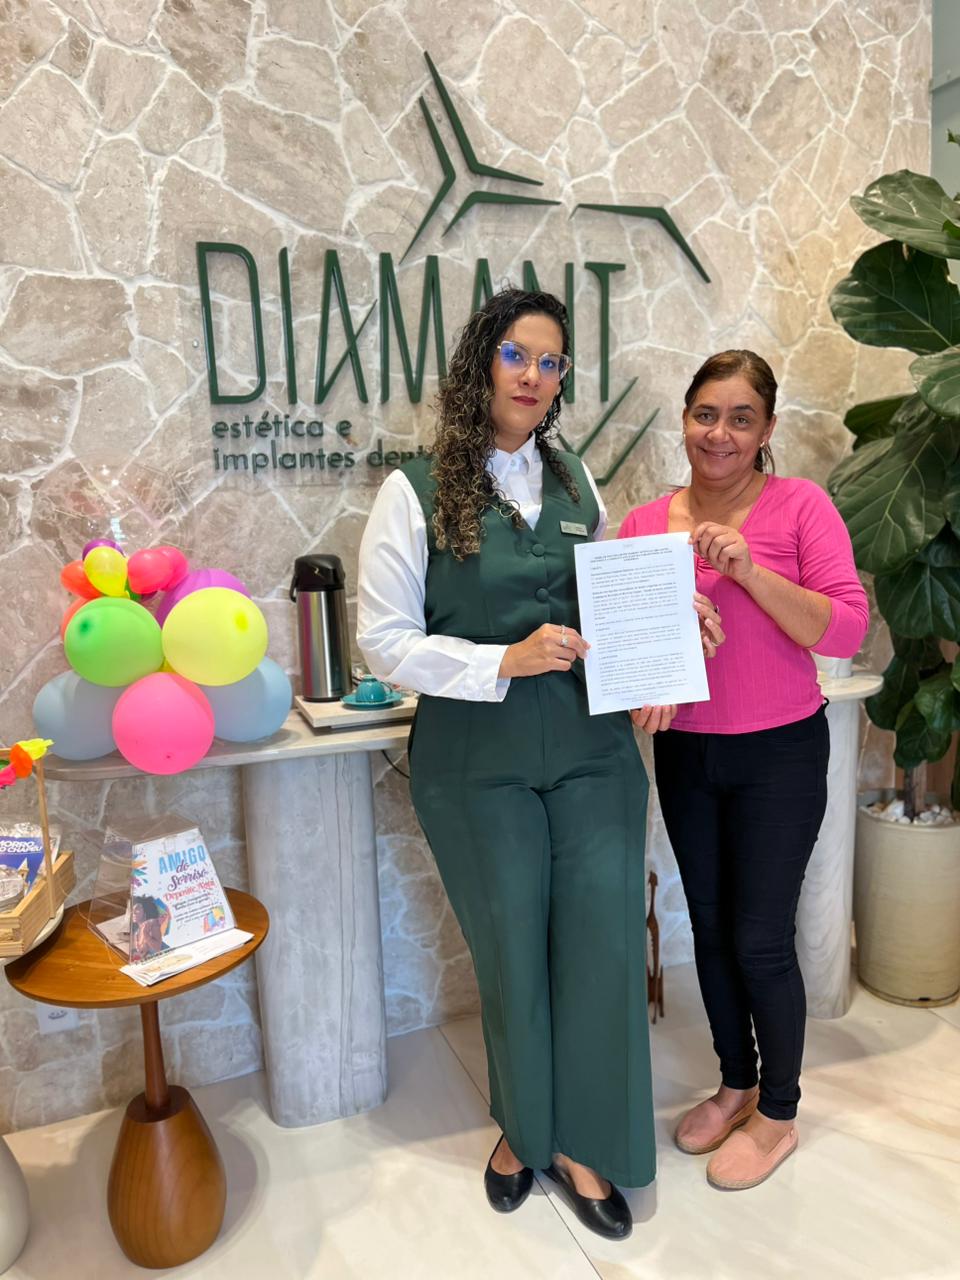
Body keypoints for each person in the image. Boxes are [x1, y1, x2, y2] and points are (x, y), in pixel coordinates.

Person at [357, 288, 723, 1240]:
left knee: (601, 944)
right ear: (482, 362)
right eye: (517, 354)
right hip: (477, 761)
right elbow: (384, 642)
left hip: (593, 752)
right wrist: (500, 662)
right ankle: (524, 1133)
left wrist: (668, 623)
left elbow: (605, 603)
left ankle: (586, 1142)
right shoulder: (412, 489)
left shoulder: (576, 482)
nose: (532, 375)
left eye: (551, 361)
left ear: (562, 381)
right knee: (514, 950)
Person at [620, 350, 869, 1191]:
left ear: (766, 430)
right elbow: (625, 654)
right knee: (711, 927)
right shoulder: (643, 526)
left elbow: (843, 630)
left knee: (762, 938)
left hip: (780, 754)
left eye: (740, 418)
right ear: (685, 419)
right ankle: (737, 1084)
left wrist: (747, 572)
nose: (719, 434)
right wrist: (651, 667)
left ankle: (779, 1112)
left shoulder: (800, 507)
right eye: (705, 414)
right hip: (688, 751)